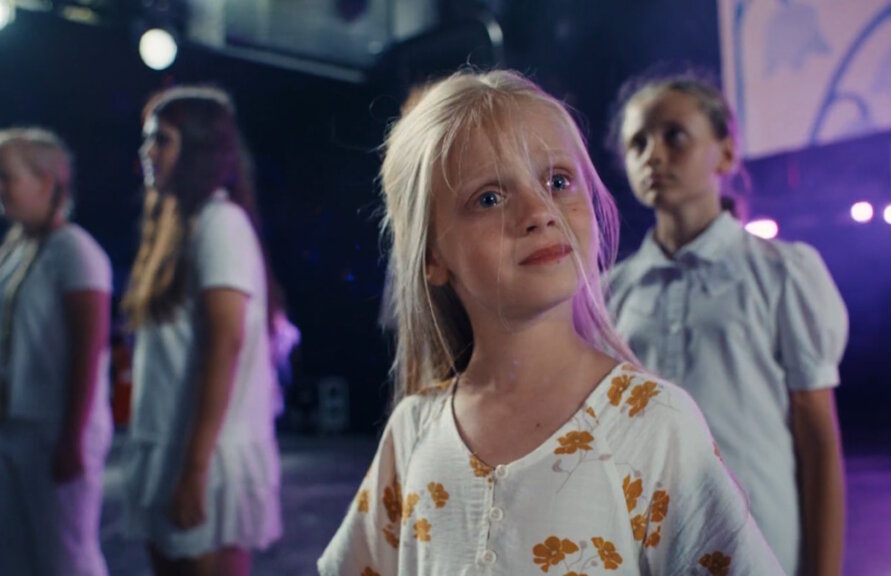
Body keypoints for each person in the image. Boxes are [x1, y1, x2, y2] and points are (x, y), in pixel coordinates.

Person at [318, 69, 783, 575]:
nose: (539, 211)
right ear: (432, 255)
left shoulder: (653, 423)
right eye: (489, 198)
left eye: (558, 181)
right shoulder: (413, 430)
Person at [606, 74, 848, 576]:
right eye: (637, 143)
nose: (653, 155)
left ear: (726, 152)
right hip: (645, 549)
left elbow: (819, 441)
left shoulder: (783, 272)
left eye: (674, 136)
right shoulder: (611, 293)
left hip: (761, 541)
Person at [120, 86, 282, 576]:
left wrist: (194, 470)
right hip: (172, 444)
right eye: (148, 139)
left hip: (205, 454)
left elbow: (224, 347)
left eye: (162, 139)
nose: (147, 151)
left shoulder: (220, 222)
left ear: (198, 149)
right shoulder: (180, 225)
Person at [0, 128, 112, 575]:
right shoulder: (16, 248)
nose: (0, 189)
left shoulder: (75, 251)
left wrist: (72, 437)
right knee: (16, 558)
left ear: (46, 182)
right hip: (15, 426)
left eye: (7, 177)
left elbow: (90, 350)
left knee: (65, 558)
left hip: (54, 430)